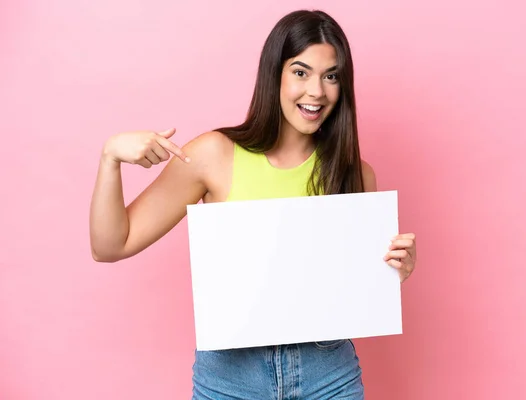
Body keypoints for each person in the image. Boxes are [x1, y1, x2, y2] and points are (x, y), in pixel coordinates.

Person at [89, 9, 417, 400]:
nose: (316, 91)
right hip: (231, 378)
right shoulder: (214, 154)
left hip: (328, 375)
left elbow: (350, 290)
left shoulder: (356, 175)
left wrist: (395, 271)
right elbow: (110, 245)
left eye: (330, 76)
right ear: (273, 74)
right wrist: (110, 158)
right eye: (300, 72)